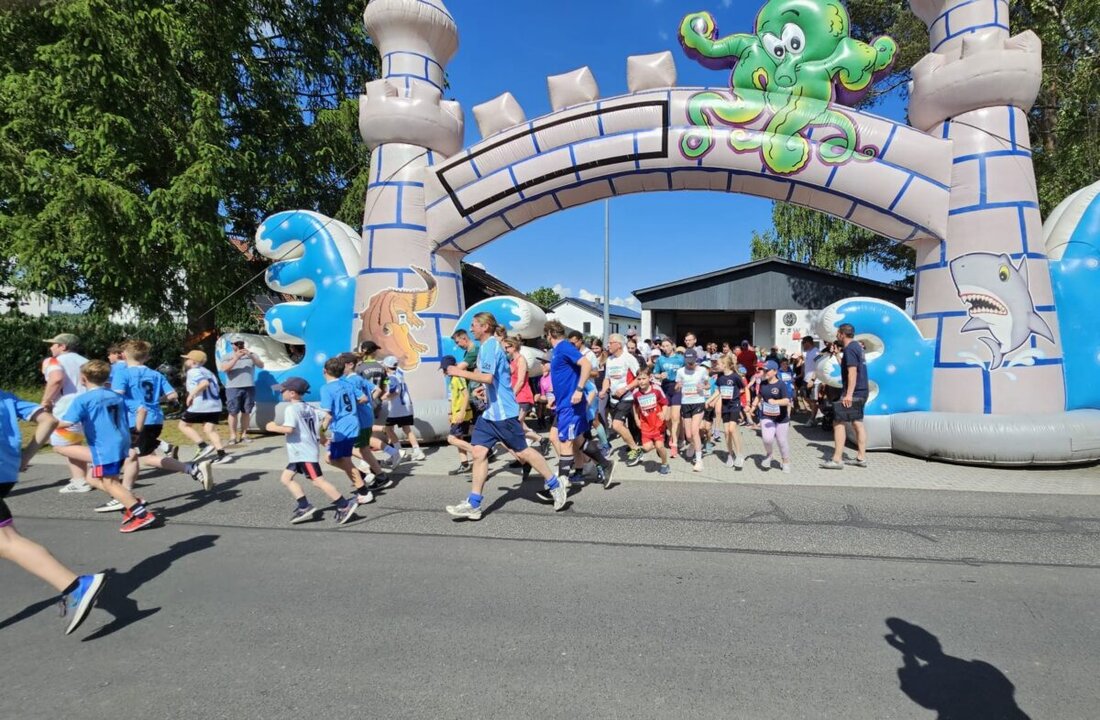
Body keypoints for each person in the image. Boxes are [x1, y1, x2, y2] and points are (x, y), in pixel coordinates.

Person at [445, 312, 571, 520]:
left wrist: (458, 372)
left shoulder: (491, 346)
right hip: (490, 414)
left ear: (485, 327)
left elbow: (487, 376)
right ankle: (474, 504)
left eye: (474, 325)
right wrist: (483, 391)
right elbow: (493, 380)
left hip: (504, 412)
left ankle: (555, 485)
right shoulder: (487, 347)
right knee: (478, 453)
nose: (472, 328)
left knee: (523, 453)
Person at [1, 389, 106, 635]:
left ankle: (76, 585)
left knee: (6, 541)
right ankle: (74, 586)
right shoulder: (6, 396)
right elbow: (48, 419)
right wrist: (26, 456)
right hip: (6, 473)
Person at [105, 340, 214, 514]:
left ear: (124, 355)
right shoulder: (156, 375)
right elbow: (172, 395)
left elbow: (116, 397)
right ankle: (123, 494)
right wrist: (154, 400)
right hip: (155, 418)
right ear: (147, 357)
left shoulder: (122, 374)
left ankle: (124, 495)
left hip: (136, 420)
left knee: (138, 457)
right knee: (137, 456)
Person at [58, 360, 158, 532]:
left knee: (110, 482)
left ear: (83, 379)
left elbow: (67, 422)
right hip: (121, 440)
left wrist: (46, 423)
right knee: (91, 478)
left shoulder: (83, 399)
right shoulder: (116, 395)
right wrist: (136, 432)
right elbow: (142, 409)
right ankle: (131, 500)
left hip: (105, 446)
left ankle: (141, 514)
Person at [265, 377, 357, 525]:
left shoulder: (291, 409)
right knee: (286, 479)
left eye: (283, 390)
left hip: (304, 453)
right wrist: (319, 432)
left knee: (318, 481)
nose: (281, 392)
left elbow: (289, 429)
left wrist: (272, 427)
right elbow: (328, 416)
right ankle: (304, 506)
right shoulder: (309, 407)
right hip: (299, 453)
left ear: (293, 393)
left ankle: (344, 505)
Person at [319, 357, 374, 505]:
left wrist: (320, 432)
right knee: (331, 458)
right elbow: (363, 398)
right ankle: (361, 475)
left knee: (343, 461)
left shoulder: (326, 388)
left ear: (324, 371)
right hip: (353, 423)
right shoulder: (347, 384)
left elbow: (328, 415)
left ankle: (364, 490)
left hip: (342, 429)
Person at [40, 333, 91, 494]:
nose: (51, 347)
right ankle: (79, 480)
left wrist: (46, 401)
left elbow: (56, 379)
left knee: (59, 447)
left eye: (54, 344)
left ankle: (105, 459)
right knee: (73, 445)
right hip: (89, 408)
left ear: (63, 346)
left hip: (65, 410)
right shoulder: (86, 362)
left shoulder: (53, 361)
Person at [338, 353, 391, 491]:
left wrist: (361, 404)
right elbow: (378, 389)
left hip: (359, 418)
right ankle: (376, 471)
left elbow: (357, 399)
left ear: (350, 365)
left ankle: (377, 474)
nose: (339, 367)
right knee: (362, 448)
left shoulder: (350, 381)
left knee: (357, 448)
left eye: (341, 365)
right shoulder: (359, 378)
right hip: (366, 416)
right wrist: (370, 403)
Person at [822, 323, 869, 469]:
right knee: (857, 423)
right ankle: (861, 458)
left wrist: (848, 395)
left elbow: (852, 372)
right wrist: (837, 355)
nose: (836, 336)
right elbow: (848, 366)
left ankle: (837, 460)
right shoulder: (856, 347)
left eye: (837, 333)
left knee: (838, 422)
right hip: (861, 391)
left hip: (853, 392)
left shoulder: (849, 349)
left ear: (842, 334)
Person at [178, 350, 229, 465]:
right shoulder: (208, 371)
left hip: (201, 404)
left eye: (187, 358)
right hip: (215, 404)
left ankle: (203, 446)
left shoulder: (193, 371)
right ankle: (222, 454)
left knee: (183, 425)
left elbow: (204, 383)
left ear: (193, 361)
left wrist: (191, 395)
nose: (186, 360)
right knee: (209, 429)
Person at [602, 333, 643, 466]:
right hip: (614, 398)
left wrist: (625, 389)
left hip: (627, 397)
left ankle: (636, 450)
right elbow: (607, 378)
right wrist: (603, 390)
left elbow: (640, 377)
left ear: (618, 345)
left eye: (610, 342)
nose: (608, 345)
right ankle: (633, 446)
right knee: (620, 426)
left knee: (616, 425)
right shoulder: (610, 360)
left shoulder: (628, 358)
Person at [749, 360, 792, 473]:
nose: (765, 372)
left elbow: (787, 400)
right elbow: (759, 396)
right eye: (764, 370)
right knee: (767, 439)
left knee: (781, 441)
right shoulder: (763, 384)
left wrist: (776, 402)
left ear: (775, 371)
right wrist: (752, 407)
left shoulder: (781, 384)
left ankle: (786, 461)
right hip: (766, 416)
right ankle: (769, 455)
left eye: (767, 370)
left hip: (781, 418)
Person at [219, 337, 265, 445]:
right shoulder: (227, 356)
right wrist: (235, 358)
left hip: (249, 386)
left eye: (241, 343)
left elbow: (261, 365)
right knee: (233, 412)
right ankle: (233, 436)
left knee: (246, 412)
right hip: (233, 388)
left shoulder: (251, 355)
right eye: (236, 343)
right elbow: (224, 369)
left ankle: (244, 435)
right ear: (232, 345)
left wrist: (251, 356)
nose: (239, 345)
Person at [380, 355, 426, 462]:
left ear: (386, 367)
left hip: (395, 409)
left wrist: (381, 398)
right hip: (406, 406)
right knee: (407, 429)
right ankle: (417, 451)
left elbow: (394, 392)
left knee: (388, 429)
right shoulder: (399, 374)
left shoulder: (391, 377)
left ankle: (399, 452)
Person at [503, 337, 541, 448]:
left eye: (507, 347)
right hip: (516, 396)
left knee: (516, 424)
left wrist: (511, 394)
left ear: (514, 347)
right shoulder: (512, 361)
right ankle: (537, 439)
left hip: (523, 395)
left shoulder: (521, 359)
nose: (505, 350)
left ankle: (530, 443)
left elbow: (520, 381)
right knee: (516, 424)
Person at [675, 350, 710, 472]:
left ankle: (699, 460)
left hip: (698, 402)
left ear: (696, 359)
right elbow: (677, 387)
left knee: (695, 431)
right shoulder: (680, 371)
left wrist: (703, 387)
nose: (690, 364)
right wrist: (678, 387)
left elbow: (708, 385)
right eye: (688, 362)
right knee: (688, 435)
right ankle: (693, 444)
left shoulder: (702, 370)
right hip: (686, 403)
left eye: (692, 362)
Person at [441, 356, 475, 476]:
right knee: (459, 438)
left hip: (462, 415)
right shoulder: (452, 379)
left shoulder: (458, 377)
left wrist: (461, 412)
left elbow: (466, 395)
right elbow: (452, 398)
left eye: (445, 369)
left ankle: (477, 453)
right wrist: (451, 413)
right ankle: (465, 464)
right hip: (456, 414)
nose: (444, 372)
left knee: (452, 439)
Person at [632, 368, 670, 474]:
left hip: (658, 424)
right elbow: (635, 407)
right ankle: (659, 449)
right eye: (639, 379)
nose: (641, 381)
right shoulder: (636, 392)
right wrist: (636, 419)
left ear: (649, 378)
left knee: (659, 445)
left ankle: (665, 463)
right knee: (647, 448)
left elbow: (665, 403)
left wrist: (663, 413)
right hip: (645, 424)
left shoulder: (656, 389)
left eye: (644, 378)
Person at [653, 338, 685, 457]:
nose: (665, 348)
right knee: (667, 418)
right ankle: (672, 435)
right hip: (665, 388)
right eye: (663, 346)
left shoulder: (680, 359)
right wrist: (659, 375)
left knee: (675, 417)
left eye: (667, 345)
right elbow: (654, 374)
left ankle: (674, 443)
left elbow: (688, 371)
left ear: (673, 346)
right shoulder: (660, 359)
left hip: (677, 388)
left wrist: (682, 382)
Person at [715, 355, 746, 469]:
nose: (717, 366)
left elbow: (744, 388)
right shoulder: (720, 376)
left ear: (725, 365)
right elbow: (718, 391)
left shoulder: (735, 376)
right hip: (725, 406)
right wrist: (710, 401)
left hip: (735, 405)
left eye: (719, 364)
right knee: (727, 432)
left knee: (732, 429)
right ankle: (730, 454)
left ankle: (739, 454)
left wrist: (746, 402)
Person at [801, 336, 821, 425]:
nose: (802, 345)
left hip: (814, 381)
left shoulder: (817, 353)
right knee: (804, 397)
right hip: (806, 379)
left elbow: (818, 368)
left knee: (813, 400)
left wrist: (812, 380)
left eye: (803, 343)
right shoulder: (808, 352)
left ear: (807, 343)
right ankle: (817, 411)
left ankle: (813, 419)